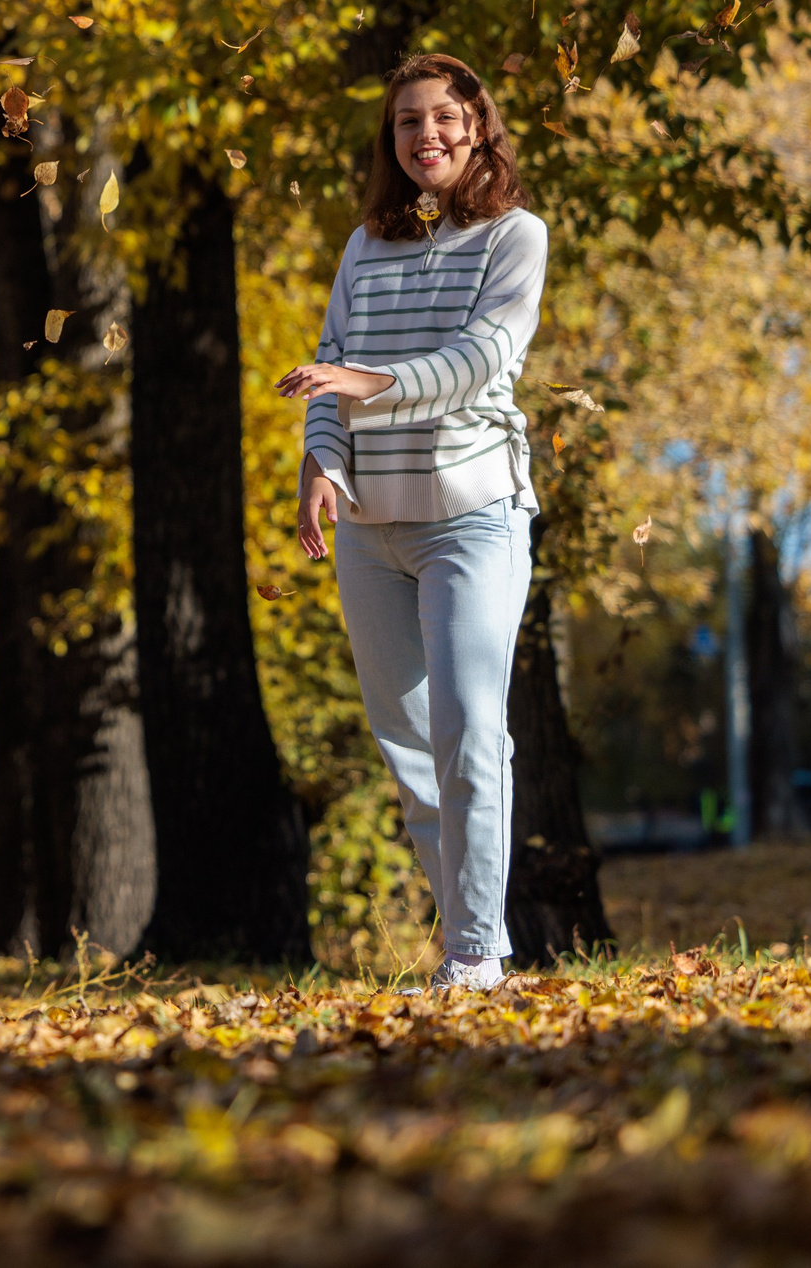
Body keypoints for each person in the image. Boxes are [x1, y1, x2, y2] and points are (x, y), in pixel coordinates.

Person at [276, 53, 548, 993]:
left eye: (442, 117)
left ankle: (473, 954)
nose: (425, 135)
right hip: (370, 529)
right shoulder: (366, 244)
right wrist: (322, 459)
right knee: (407, 743)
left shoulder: (516, 237)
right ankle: (474, 939)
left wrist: (367, 386)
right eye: (406, 122)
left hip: (473, 518)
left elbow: (479, 360)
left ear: (477, 126)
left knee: (472, 731)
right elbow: (328, 360)